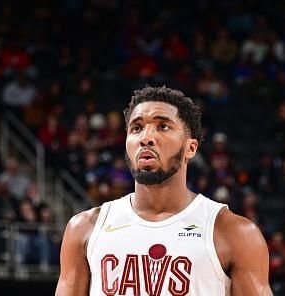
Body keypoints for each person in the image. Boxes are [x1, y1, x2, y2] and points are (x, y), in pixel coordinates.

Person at [55, 86, 272, 295]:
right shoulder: (84, 228)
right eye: (137, 128)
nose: (146, 138)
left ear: (190, 148)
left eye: (163, 126)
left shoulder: (234, 232)